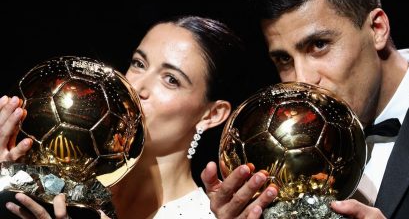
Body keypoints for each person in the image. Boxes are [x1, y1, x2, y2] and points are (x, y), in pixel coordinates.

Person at [201, 0, 409, 219]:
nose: (302, 80)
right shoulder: (284, 160)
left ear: (377, 29)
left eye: (319, 45)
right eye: (283, 59)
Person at [0, 15, 249, 218]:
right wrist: (5, 177)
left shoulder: (205, 216)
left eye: (171, 80)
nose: (138, 87)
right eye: (139, 64)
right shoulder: (61, 182)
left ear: (212, 115)